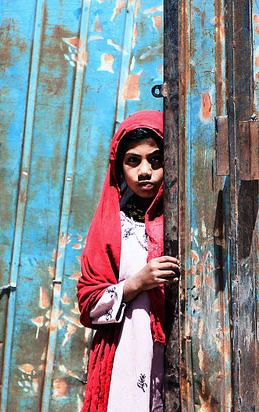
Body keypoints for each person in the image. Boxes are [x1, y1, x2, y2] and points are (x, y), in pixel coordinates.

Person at [76, 110, 180, 411]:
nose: (145, 171)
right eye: (133, 161)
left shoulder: (186, 216)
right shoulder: (112, 224)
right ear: (120, 166)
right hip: (127, 348)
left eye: (156, 160)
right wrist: (137, 283)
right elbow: (89, 303)